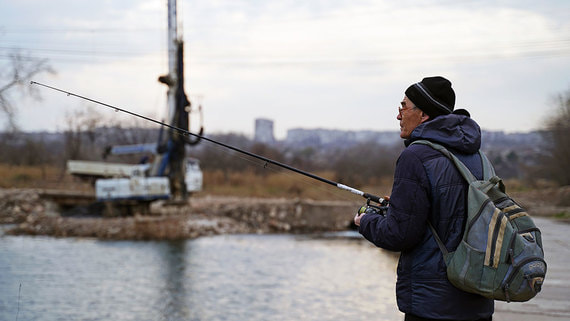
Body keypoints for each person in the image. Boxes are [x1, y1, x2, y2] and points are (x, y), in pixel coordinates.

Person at [354, 76, 494, 321]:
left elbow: (400, 234)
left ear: (424, 114)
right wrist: (400, 206)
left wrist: (365, 221)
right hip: (477, 300)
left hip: (432, 305)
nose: (399, 115)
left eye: (404, 106)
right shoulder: (478, 156)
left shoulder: (415, 156)